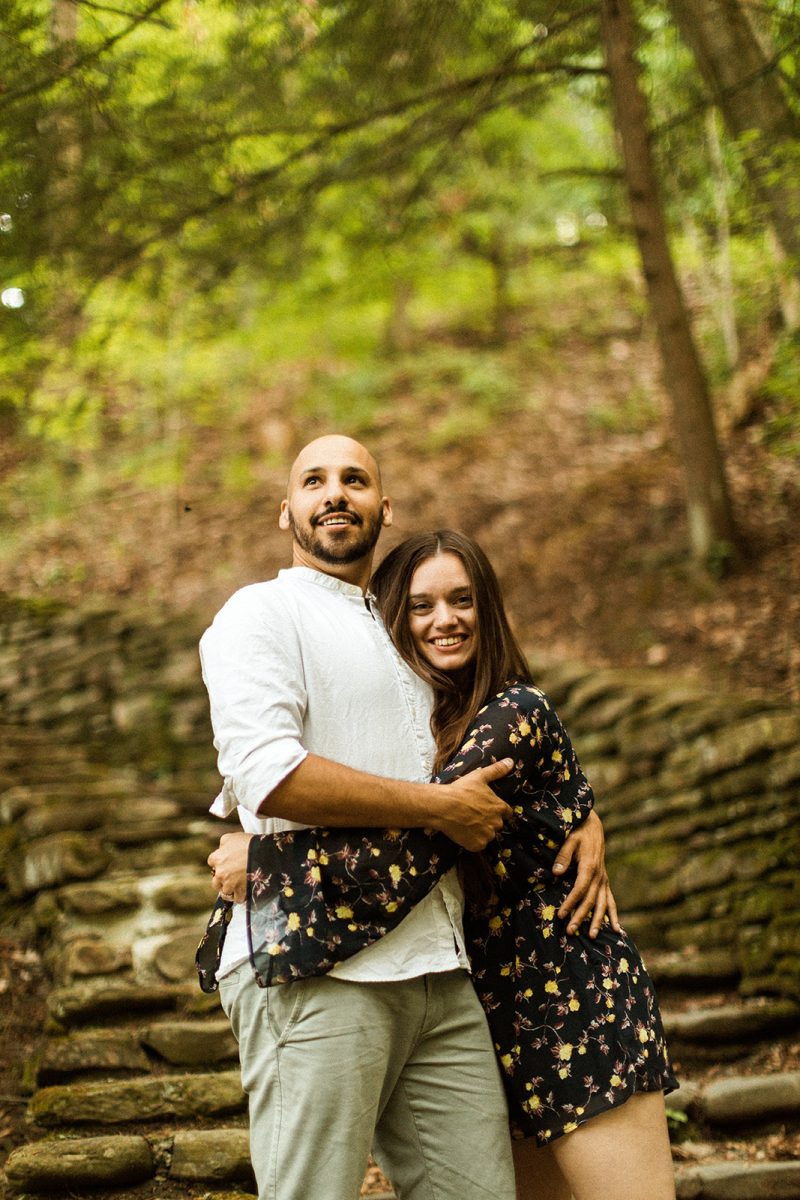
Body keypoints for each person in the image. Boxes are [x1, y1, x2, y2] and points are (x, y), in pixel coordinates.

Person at [198, 435, 613, 1200]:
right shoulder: (260, 614)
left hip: (440, 971)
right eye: (313, 480)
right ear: (284, 511)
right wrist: (437, 808)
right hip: (314, 964)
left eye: (354, 480)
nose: (335, 493)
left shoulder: (403, 635)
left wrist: (581, 819)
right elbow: (267, 772)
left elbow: (496, 751)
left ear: (383, 509)